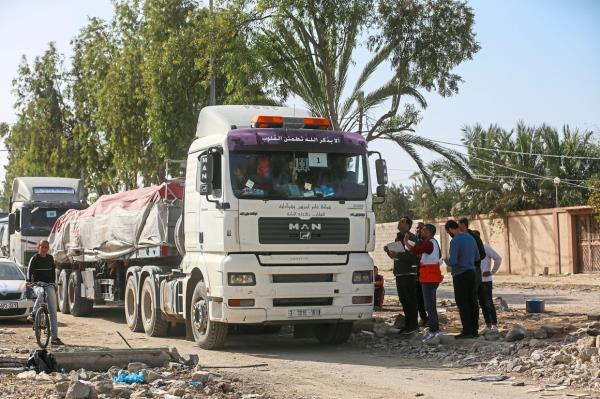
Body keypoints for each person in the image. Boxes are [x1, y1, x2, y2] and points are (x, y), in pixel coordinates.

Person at [405, 224, 443, 342]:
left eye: (424, 230)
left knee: (429, 306)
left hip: (429, 277)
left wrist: (406, 242)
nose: (421, 231)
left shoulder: (429, 243)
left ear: (429, 232)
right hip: (432, 276)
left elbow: (417, 250)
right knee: (431, 305)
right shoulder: (434, 242)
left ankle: (434, 331)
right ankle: (434, 329)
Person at [444, 220, 480, 339]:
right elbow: (477, 257)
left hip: (460, 274)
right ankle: (474, 330)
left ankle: (467, 330)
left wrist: (446, 260)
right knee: (472, 301)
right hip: (472, 272)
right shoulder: (471, 238)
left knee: (462, 302)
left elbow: (453, 261)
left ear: (449, 229)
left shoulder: (455, 240)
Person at [384, 216, 419, 334]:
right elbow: (395, 253)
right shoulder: (399, 238)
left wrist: (397, 255)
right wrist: (389, 251)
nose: (400, 222)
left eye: (403, 221)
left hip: (408, 273)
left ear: (408, 225)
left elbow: (412, 256)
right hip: (400, 273)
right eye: (399, 220)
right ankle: (408, 324)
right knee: (404, 300)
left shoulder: (410, 238)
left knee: (410, 300)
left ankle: (413, 325)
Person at [27, 240, 64, 346]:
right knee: (41, 292)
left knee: (53, 311)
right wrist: (29, 281)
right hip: (37, 284)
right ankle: (34, 314)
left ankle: (54, 338)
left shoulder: (50, 258)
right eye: (42, 247)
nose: (43, 249)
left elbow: (53, 272)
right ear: (38, 247)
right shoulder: (34, 259)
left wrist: (54, 284)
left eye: (45, 247)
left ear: (48, 248)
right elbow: (29, 271)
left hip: (49, 285)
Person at [478, 239, 502, 332]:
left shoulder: (485, 247)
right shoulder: (472, 248)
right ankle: (487, 324)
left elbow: (498, 258)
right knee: (482, 303)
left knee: (488, 302)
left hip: (486, 280)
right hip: (476, 280)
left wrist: (492, 271)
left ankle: (494, 324)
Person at [414, 222, 429, 327]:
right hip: (415, 273)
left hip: (426, 274)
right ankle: (423, 318)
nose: (418, 230)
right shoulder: (414, 240)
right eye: (417, 228)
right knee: (418, 297)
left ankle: (429, 319)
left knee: (426, 297)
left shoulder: (428, 242)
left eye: (421, 228)